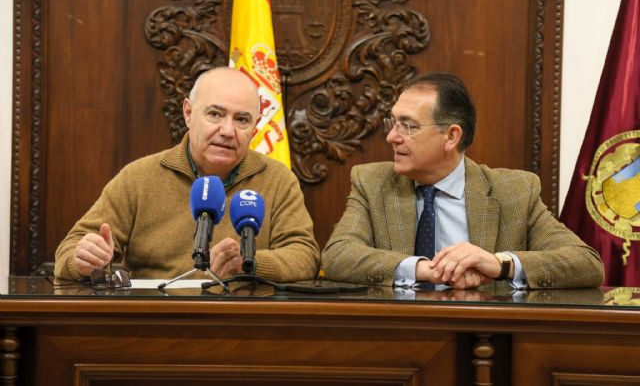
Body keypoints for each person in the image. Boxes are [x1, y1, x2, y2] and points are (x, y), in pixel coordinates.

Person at [321, 72, 604, 290]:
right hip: (399, 335)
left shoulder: (514, 191)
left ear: (451, 136)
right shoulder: (373, 183)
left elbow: (586, 263)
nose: (392, 137)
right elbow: (337, 255)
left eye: (408, 126)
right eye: (393, 123)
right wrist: (423, 269)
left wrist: (499, 264)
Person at [54, 67, 319, 282]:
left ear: (255, 126)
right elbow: (70, 249)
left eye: (241, 119)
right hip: (158, 318)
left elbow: (305, 256)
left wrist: (251, 262)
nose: (228, 131)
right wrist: (83, 259)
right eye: (215, 114)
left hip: (242, 321)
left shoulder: (278, 179)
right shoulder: (138, 178)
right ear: (188, 113)